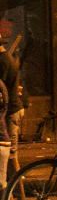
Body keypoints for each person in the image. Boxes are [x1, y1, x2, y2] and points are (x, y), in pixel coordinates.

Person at [0, 33, 23, 185]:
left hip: (11, 112)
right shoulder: (5, 59)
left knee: (10, 157)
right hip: (11, 110)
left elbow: (2, 90)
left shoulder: (2, 61)